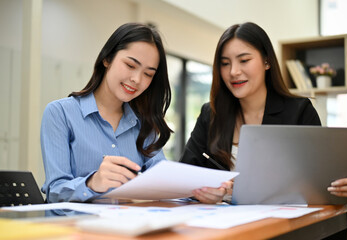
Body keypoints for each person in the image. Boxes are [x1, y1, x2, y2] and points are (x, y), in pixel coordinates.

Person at [179, 22, 323, 204]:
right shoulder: (211, 114)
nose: (233, 72)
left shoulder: (299, 111)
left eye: (244, 60)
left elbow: (318, 183)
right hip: (223, 224)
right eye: (225, 63)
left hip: (281, 223)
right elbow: (184, 176)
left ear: (267, 61)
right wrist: (203, 191)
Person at [41, 23, 172, 203]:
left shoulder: (145, 124)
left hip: (129, 225)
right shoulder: (60, 113)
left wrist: (199, 189)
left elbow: (163, 179)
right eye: (130, 65)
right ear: (107, 59)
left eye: (148, 74)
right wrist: (92, 182)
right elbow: (55, 191)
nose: (137, 79)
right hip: (76, 226)